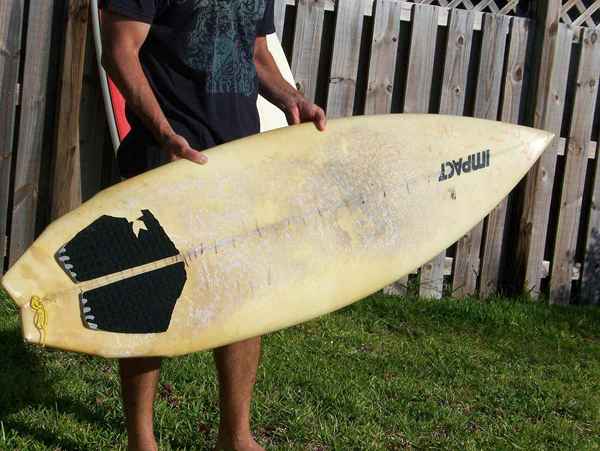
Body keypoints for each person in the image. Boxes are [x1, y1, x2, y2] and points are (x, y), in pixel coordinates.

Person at [99, 1, 327, 450]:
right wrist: (163, 131)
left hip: (237, 155)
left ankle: (236, 438)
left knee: (242, 297)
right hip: (166, 152)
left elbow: (257, 55)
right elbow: (120, 50)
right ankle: (141, 442)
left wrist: (291, 98)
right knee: (149, 298)